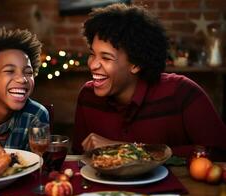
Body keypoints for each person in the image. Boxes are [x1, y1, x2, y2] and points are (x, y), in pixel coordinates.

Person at [72, 3, 226, 161]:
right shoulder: (87, 96)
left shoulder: (182, 93)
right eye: (92, 54)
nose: (93, 65)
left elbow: (220, 152)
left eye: (106, 57)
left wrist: (124, 150)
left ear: (136, 64)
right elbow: (79, 159)